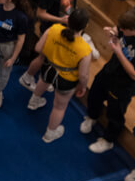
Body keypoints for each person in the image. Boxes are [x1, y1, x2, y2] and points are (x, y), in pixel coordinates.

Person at [81, 9, 135, 154]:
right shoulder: (128, 28)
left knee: (115, 114)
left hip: (123, 85)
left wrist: (118, 51)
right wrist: (110, 31)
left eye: (124, 29)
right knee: (94, 96)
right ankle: (92, 117)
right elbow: (113, 29)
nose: (121, 30)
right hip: (109, 71)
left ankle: (108, 141)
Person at [27, 9, 92, 143]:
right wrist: (83, 87)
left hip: (48, 68)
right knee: (59, 107)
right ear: (85, 27)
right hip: (66, 80)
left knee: (42, 82)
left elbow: (38, 48)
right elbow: (83, 75)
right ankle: (50, 133)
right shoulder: (85, 49)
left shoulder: (54, 29)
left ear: (67, 19)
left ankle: (33, 102)